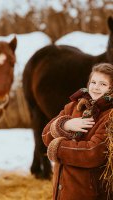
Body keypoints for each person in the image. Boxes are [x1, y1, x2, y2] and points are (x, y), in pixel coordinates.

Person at [42, 63, 113, 200]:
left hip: (88, 192)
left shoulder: (109, 115)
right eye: (93, 82)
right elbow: (45, 135)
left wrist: (57, 147)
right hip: (62, 190)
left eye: (103, 84)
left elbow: (93, 152)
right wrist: (66, 124)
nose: (96, 87)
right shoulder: (73, 107)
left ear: (111, 89)